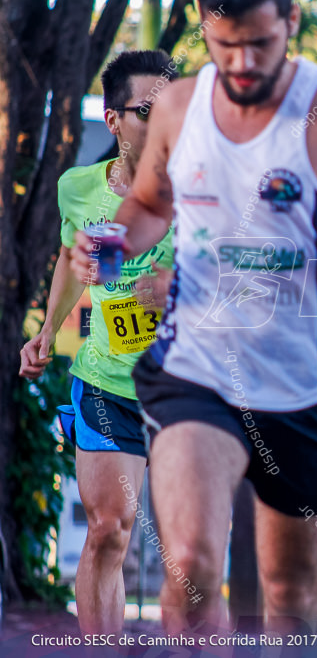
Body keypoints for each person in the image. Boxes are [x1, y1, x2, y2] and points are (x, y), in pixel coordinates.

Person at [69, 0, 317, 638]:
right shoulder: (178, 107)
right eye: (226, 45)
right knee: (194, 569)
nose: (243, 64)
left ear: (291, 20)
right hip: (196, 370)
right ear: (203, 26)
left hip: (300, 384)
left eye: (260, 44)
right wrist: (109, 237)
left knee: (291, 591)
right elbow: (150, 204)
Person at [19, 50, 177, 635]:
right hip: (108, 381)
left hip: (189, 390)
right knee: (110, 529)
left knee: (191, 552)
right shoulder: (78, 189)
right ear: (114, 121)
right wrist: (46, 329)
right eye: (147, 111)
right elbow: (71, 258)